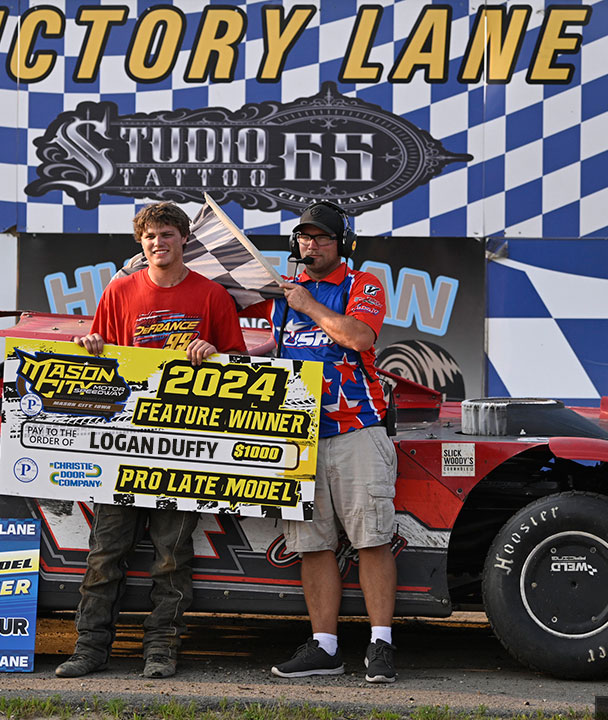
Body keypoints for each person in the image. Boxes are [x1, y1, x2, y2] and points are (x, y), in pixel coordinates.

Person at [55, 202, 246, 681]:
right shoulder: (119, 291)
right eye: (149, 237)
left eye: (166, 234)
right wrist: (90, 348)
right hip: (123, 447)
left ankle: (161, 650)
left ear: (184, 239)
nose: (158, 243)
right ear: (140, 244)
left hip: (186, 448)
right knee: (104, 556)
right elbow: (100, 368)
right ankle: (89, 649)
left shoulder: (212, 296)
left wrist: (216, 354)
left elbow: (244, 369)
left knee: (172, 558)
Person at [244, 200, 399, 683]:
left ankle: (381, 644)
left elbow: (358, 337)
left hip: (357, 430)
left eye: (322, 238)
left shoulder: (362, 284)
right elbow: (264, 349)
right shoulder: (281, 299)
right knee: (310, 543)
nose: (311, 246)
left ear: (343, 244)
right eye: (305, 238)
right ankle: (325, 647)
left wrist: (309, 303)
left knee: (371, 538)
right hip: (299, 436)